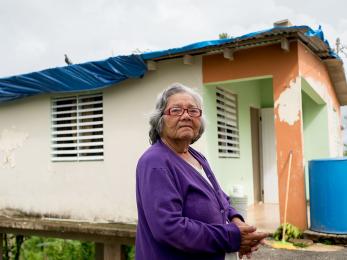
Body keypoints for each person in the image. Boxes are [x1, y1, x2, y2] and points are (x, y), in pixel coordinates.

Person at [135, 83, 268, 260]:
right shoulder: (156, 162)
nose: (186, 116)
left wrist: (238, 222)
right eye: (176, 110)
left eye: (193, 111)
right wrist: (233, 237)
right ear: (160, 120)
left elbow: (220, 197)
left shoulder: (196, 156)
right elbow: (169, 228)